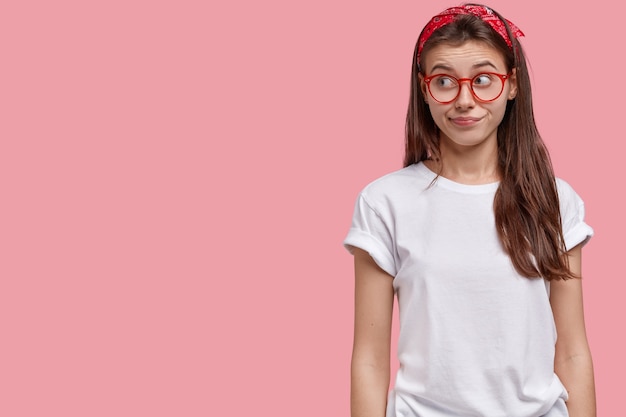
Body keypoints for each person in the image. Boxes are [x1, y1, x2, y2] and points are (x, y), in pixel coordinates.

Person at [343, 4, 596, 417]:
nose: (464, 100)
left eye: (483, 80)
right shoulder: (384, 202)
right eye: (444, 81)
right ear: (424, 89)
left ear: (512, 85)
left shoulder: (555, 200)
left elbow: (571, 351)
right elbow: (370, 360)